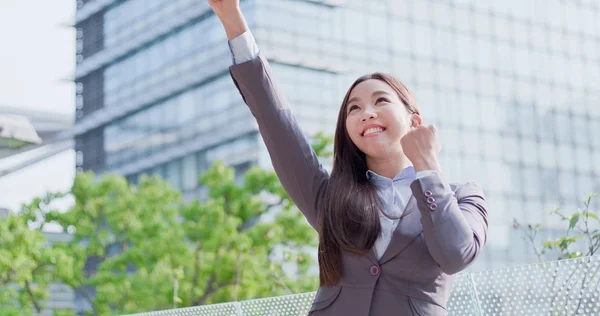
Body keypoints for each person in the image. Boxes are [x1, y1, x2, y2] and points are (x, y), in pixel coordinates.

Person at [208, 1, 488, 315]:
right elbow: (276, 121)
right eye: (354, 108)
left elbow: (454, 254)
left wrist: (427, 169)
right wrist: (233, 21)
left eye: (380, 100)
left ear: (414, 120)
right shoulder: (329, 198)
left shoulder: (463, 196)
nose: (366, 113)